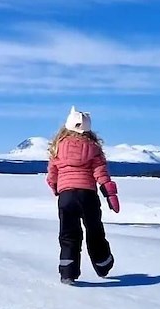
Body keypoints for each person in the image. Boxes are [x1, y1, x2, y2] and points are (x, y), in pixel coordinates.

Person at [46, 106, 121, 284]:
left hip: (66, 197)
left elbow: (51, 175)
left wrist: (57, 188)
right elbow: (101, 173)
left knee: (68, 234)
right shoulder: (93, 148)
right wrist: (110, 194)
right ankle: (103, 264)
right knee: (95, 231)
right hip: (88, 195)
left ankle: (67, 272)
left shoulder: (57, 148)